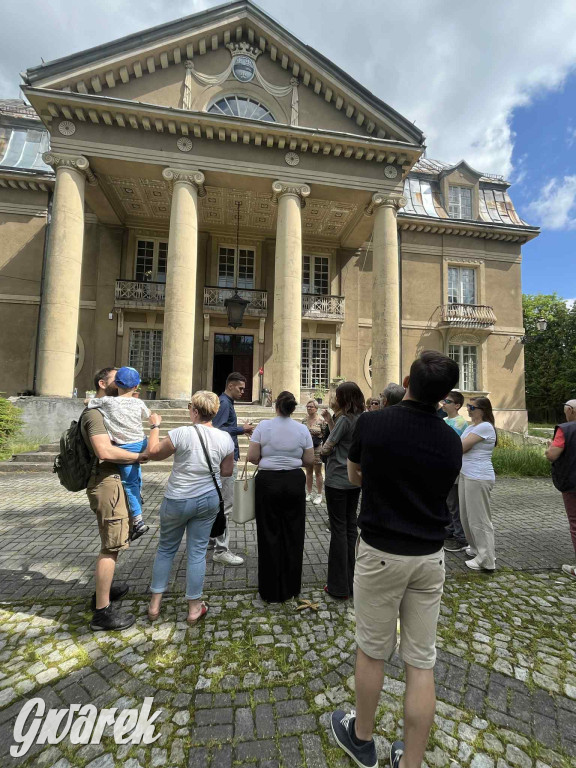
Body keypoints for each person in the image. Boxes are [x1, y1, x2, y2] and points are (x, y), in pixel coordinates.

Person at [330, 350, 461, 768]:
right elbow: (441, 487)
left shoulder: (374, 422)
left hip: (382, 551)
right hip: (429, 556)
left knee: (371, 650)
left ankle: (363, 738)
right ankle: (411, 762)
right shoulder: (451, 439)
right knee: (421, 662)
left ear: (408, 381)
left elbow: (354, 476)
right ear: (444, 396)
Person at [145, 391, 234, 622]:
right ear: (214, 411)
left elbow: (153, 453)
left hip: (177, 498)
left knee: (166, 549)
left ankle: (155, 605)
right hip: (207, 500)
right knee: (197, 553)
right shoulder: (225, 438)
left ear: (194, 411)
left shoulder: (181, 433)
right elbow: (227, 471)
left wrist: (155, 427)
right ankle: (194, 607)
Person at [82, 367, 150, 632]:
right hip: (106, 482)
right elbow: (103, 450)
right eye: (115, 377)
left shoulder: (105, 408)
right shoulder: (95, 414)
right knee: (111, 546)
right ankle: (102, 612)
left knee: (115, 542)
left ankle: (104, 590)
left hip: (111, 480)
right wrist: (138, 456)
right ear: (103, 383)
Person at [247, 391, 314, 603]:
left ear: (276, 405)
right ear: (293, 409)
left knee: (268, 533)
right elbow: (310, 459)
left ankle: (270, 589)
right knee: (294, 532)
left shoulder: (263, 427)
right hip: (294, 481)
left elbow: (252, 457)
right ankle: (292, 586)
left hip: (268, 481)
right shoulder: (302, 429)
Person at [87, 366, 152, 540]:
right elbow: (148, 415)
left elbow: (90, 402)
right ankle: (139, 494)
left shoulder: (108, 402)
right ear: (137, 386)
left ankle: (138, 521)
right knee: (136, 475)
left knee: (129, 484)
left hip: (125, 447)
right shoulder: (139, 402)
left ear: (116, 384)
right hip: (141, 442)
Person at [322, 382, 365, 599]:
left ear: (344, 398)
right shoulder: (361, 418)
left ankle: (338, 585)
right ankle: (352, 580)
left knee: (338, 530)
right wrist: (331, 422)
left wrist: (320, 453)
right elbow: (344, 440)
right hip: (354, 478)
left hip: (337, 479)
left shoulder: (345, 419)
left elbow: (329, 446)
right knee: (350, 527)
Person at [211, 372, 255, 566]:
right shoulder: (224, 403)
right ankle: (221, 549)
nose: (243, 391)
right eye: (240, 388)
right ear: (230, 386)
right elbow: (215, 429)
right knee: (226, 506)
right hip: (226, 461)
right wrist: (241, 429)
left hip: (226, 459)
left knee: (219, 504)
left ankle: (213, 540)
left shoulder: (227, 403)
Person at [459, 397, 498, 572]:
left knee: (479, 519)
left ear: (482, 409)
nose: (468, 409)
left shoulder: (485, 426)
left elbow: (462, 447)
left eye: (472, 407)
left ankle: (487, 559)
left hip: (478, 476)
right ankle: (476, 548)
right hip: (466, 474)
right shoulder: (471, 426)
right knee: (466, 516)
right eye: (468, 406)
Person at [545, 399, 576, 580]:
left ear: (571, 410)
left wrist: (549, 447)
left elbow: (552, 455)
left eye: (566, 411)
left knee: (575, 522)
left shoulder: (565, 429)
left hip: (572, 483)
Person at [441, 391, 469, 552]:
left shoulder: (459, 423)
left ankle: (461, 535)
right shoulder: (444, 420)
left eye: (448, 401)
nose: (444, 403)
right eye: (444, 400)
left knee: (454, 503)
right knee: (446, 501)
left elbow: (452, 445)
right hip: (442, 467)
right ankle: (450, 529)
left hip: (452, 467)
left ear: (457, 406)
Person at [302, 399, 325, 504]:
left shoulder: (321, 421)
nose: (309, 408)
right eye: (308, 406)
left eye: (311, 406)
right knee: (308, 472)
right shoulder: (304, 420)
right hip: (307, 449)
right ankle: (309, 493)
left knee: (318, 472)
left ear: (316, 408)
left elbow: (325, 434)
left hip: (317, 448)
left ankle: (319, 494)